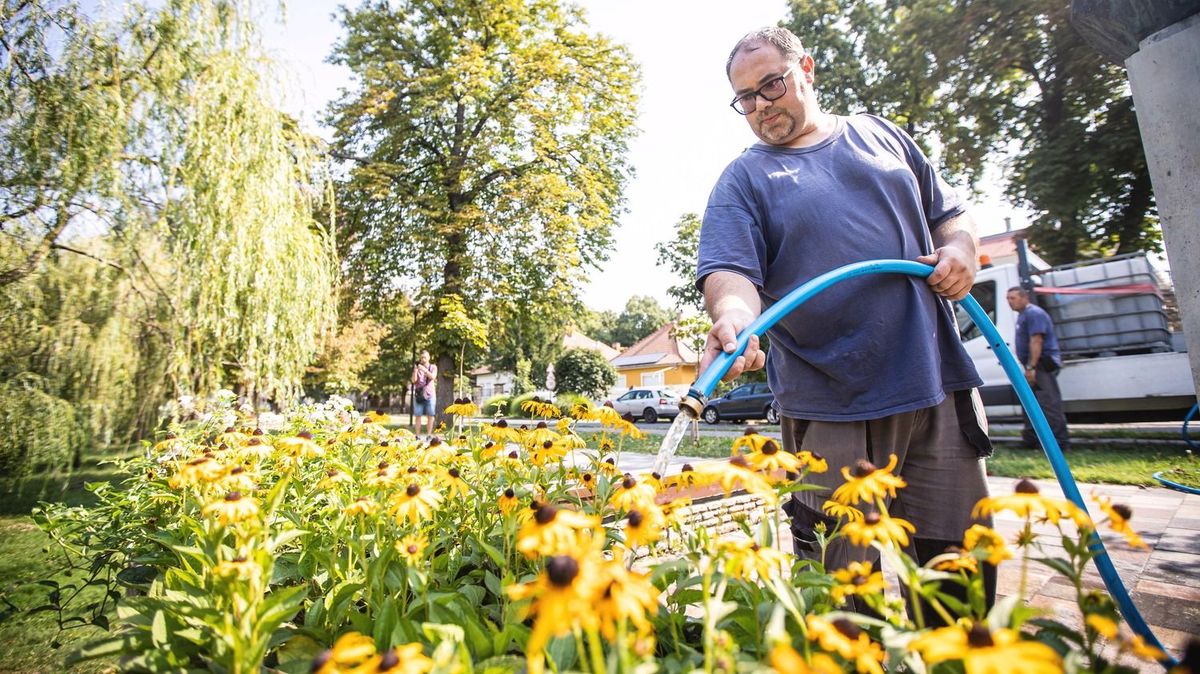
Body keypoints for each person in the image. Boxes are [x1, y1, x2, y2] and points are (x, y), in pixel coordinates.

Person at [695, 27, 995, 610]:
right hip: (833, 406)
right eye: (745, 99)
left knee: (957, 584)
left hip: (936, 386)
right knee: (839, 595)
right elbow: (730, 275)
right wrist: (735, 319)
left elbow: (952, 217)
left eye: (771, 85)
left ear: (805, 67)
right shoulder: (744, 180)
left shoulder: (883, 136)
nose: (760, 107)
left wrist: (961, 250)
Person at [1006, 286, 1070, 449]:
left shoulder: (1034, 313)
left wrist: (1031, 367)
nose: (1009, 302)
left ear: (1024, 297)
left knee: (1048, 404)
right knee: (1030, 403)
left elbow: (1037, 341)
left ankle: (1060, 443)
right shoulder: (1023, 315)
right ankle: (1031, 440)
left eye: (1012, 298)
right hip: (1033, 365)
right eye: (1007, 298)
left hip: (1041, 363)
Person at [411, 350, 438, 437]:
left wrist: (424, 370)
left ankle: (429, 435)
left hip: (430, 395)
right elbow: (413, 381)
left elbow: (433, 377)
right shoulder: (418, 368)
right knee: (418, 415)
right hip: (419, 395)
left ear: (429, 358)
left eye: (425, 357)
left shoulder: (433, 367)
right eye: (422, 357)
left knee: (430, 415)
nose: (423, 359)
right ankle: (417, 436)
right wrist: (415, 371)